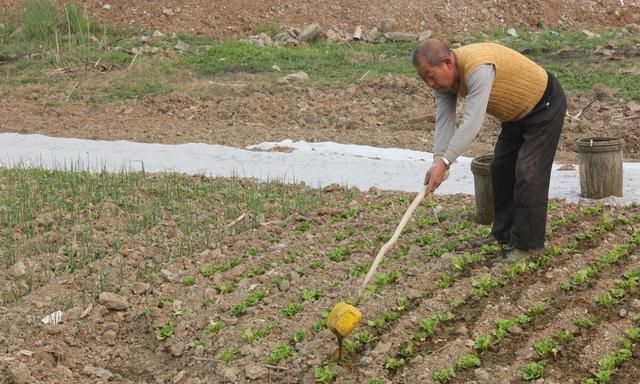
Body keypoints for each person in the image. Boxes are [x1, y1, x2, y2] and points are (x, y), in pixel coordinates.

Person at [412, 38, 567, 263]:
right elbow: (445, 121)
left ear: (447, 63)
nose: (429, 83)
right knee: (500, 169)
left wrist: (446, 162)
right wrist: (438, 160)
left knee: (528, 172)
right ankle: (502, 233)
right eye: (423, 78)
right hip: (515, 114)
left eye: (430, 75)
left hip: (545, 106)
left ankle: (527, 245)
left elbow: (472, 123)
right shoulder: (445, 84)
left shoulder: (478, 68)